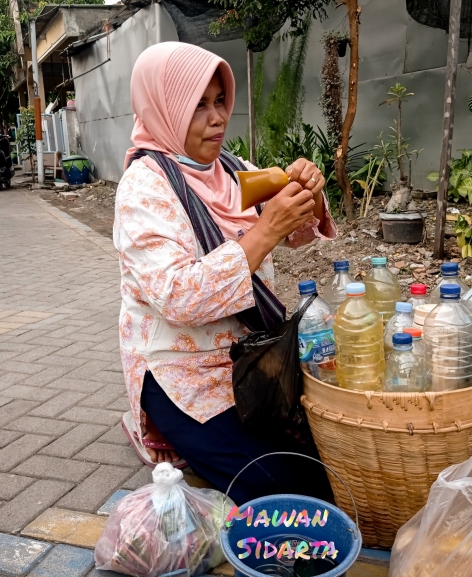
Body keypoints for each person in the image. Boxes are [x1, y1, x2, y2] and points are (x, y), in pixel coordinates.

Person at [116, 42, 337, 504]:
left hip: (253, 357)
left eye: (220, 101)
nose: (217, 118)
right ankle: (168, 433)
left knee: (331, 454)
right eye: (197, 105)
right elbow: (178, 296)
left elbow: (296, 233)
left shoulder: (232, 171)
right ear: (165, 108)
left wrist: (307, 192)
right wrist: (264, 230)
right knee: (285, 484)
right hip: (182, 372)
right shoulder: (144, 187)